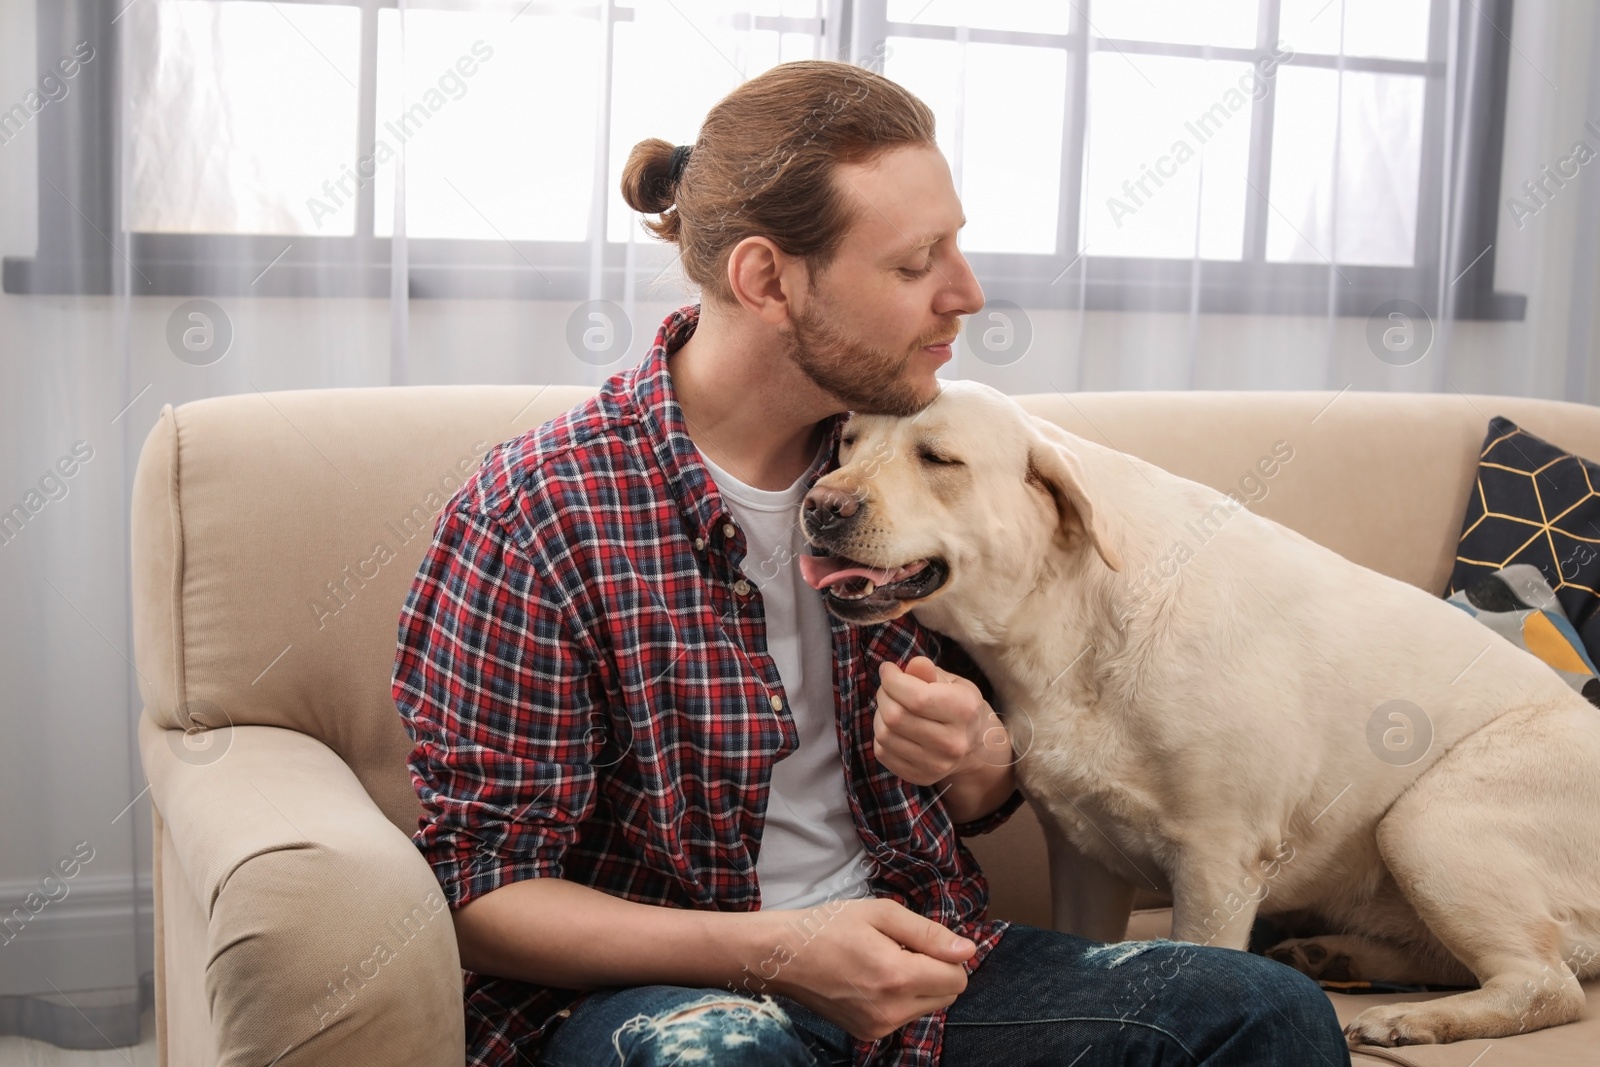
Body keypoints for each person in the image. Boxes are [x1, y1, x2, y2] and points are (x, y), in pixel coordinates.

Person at [391, 59, 1351, 1067]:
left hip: (925, 965)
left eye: (957, 246)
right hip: (667, 997)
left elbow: (986, 781)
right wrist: (784, 949)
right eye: (912, 264)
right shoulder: (538, 513)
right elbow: (482, 895)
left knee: (1266, 1010)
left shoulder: (928, 471)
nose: (967, 294)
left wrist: (979, 758)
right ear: (766, 280)